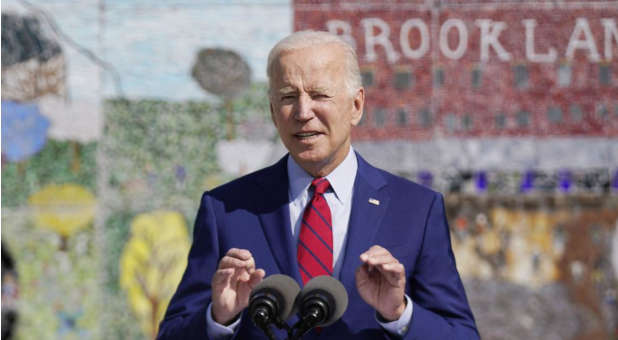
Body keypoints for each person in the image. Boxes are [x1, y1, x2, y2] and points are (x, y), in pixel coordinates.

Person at [157, 31, 479, 339]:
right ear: (272, 111)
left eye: (319, 95)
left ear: (356, 106)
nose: (302, 112)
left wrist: (399, 314)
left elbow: (461, 335)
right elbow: (173, 333)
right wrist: (219, 318)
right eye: (287, 97)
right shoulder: (226, 209)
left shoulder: (416, 209)